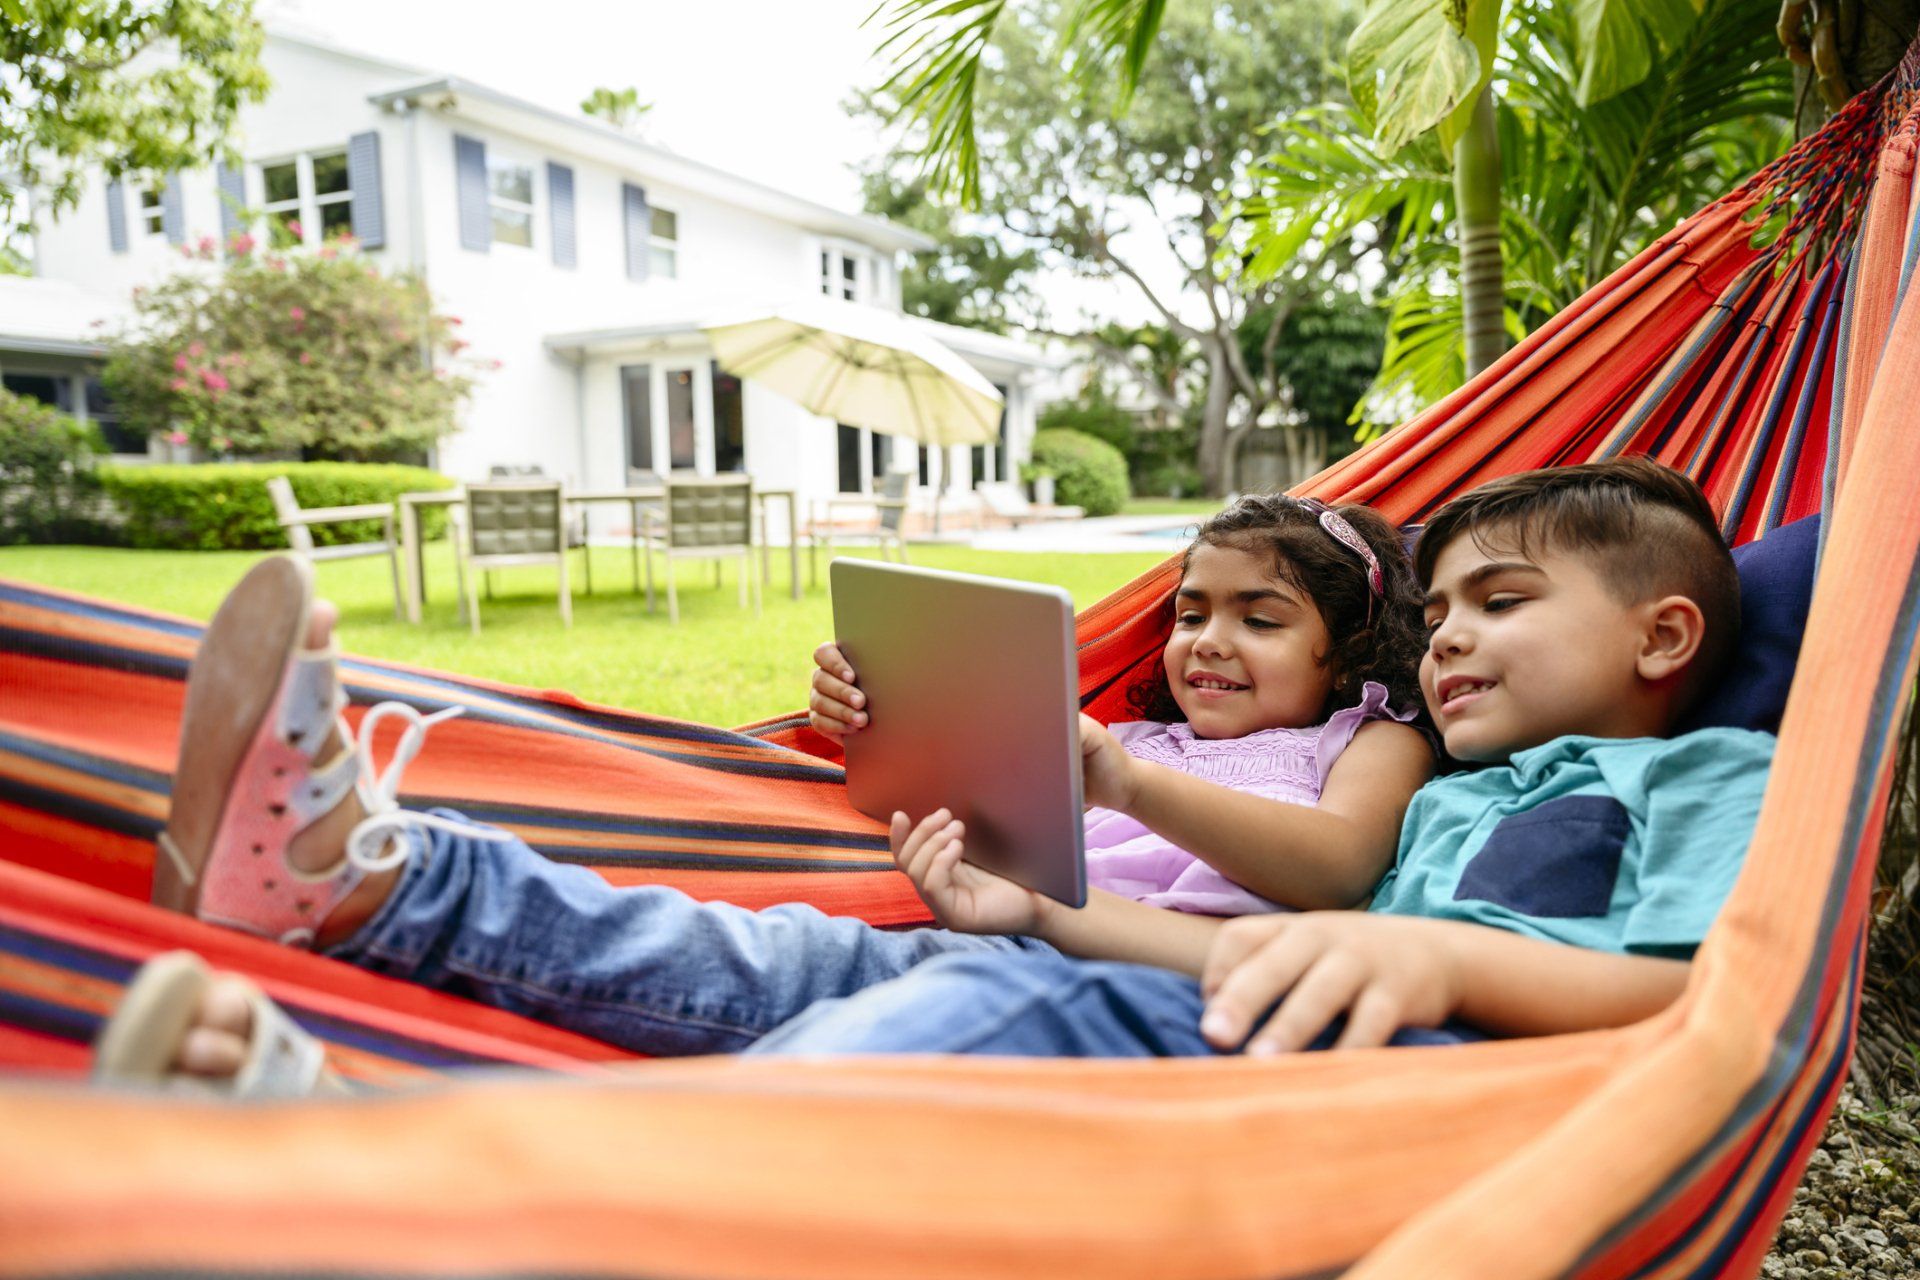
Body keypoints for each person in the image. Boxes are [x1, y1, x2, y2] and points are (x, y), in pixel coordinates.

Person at [103, 495, 1433, 1089]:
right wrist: (870, 721)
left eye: (1259, 618)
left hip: (1136, 995)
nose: (1206, 640)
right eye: (1191, 610)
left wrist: (1128, 785)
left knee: (787, 1014)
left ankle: (366, 959)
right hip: (985, 930)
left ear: (1346, 649)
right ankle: (383, 872)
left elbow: (1334, 871)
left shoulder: (1367, 739)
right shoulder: (1129, 728)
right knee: (712, 946)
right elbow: (952, 811)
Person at [749, 456, 1776, 1059]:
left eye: (1499, 602)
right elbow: (1270, 960)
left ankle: (680, 1168)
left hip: (1410, 1087)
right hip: (1259, 1021)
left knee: (974, 1006)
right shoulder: (1448, 806)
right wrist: (1039, 909)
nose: (1449, 638)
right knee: (823, 959)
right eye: (1434, 617)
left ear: (1663, 637)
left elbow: (1735, 998)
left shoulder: (1710, 773)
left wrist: (1446, 963)